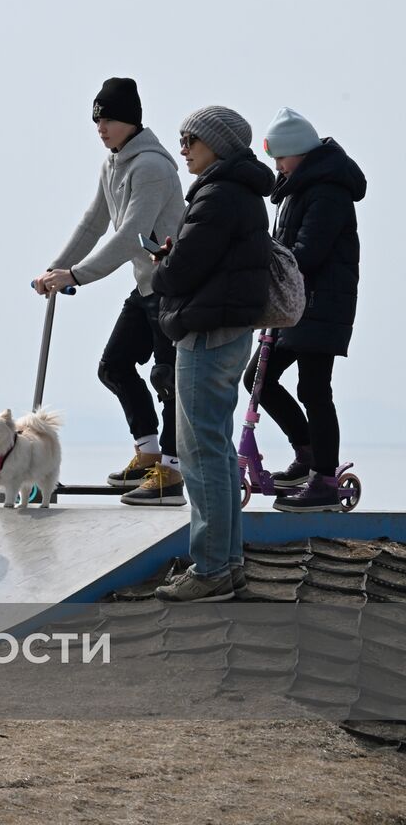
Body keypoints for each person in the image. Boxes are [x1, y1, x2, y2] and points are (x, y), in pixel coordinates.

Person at [35, 78, 188, 505]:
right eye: (97, 119)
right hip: (146, 285)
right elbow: (93, 224)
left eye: (110, 119)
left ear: (132, 120)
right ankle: (147, 452)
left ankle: (171, 475)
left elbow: (130, 235)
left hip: (172, 287)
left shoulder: (153, 167)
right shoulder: (112, 163)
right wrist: (54, 268)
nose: (101, 127)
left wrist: (77, 275)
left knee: (168, 378)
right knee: (114, 365)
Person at [152, 106, 273, 603]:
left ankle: (209, 570)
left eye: (191, 140)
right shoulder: (241, 192)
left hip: (205, 333)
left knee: (200, 455)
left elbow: (180, 273)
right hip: (230, 330)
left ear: (217, 145)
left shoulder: (218, 194)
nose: (183, 149)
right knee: (218, 452)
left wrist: (161, 264)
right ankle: (228, 562)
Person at [248, 108, 366, 513]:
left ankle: (325, 479)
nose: (277, 167)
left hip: (318, 305)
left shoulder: (327, 190)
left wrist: (266, 266)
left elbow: (307, 254)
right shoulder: (299, 189)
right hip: (294, 305)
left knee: (315, 389)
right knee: (258, 380)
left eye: (281, 158)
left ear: (299, 153)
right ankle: (308, 454)